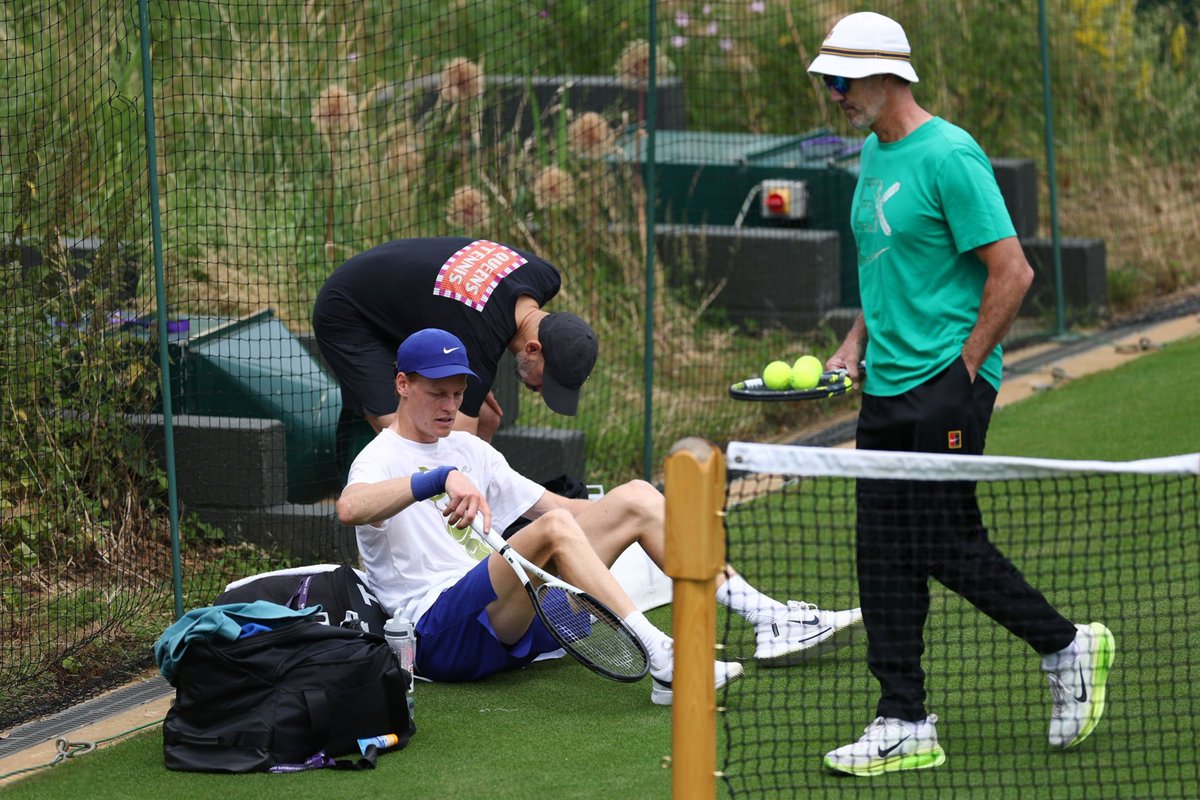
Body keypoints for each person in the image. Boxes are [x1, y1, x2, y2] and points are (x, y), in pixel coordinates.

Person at [808, 11, 1114, 776]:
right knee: (881, 550)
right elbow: (888, 279)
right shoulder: (874, 157)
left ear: (887, 75)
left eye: (842, 81)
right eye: (827, 82)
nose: (834, 95)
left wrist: (964, 369)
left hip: (948, 383)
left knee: (942, 539)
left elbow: (1013, 272)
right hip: (886, 387)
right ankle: (904, 718)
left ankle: (1067, 646)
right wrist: (851, 348)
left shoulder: (950, 155)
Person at [335, 328, 864, 703]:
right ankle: (664, 657)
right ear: (402, 385)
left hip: (533, 626)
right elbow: (349, 508)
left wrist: (655, 517)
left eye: (457, 394)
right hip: (444, 639)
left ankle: (768, 617)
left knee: (634, 495)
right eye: (436, 393)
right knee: (554, 531)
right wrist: (437, 478)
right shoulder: (379, 459)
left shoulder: (471, 450)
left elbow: (564, 511)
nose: (450, 406)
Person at [312, 237, 599, 443]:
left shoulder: (543, 274)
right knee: (417, 440)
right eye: (545, 382)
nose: (539, 390)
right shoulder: (478, 338)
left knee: (486, 418)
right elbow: (452, 447)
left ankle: (481, 518)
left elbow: (466, 310)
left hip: (401, 301)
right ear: (533, 349)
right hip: (350, 312)